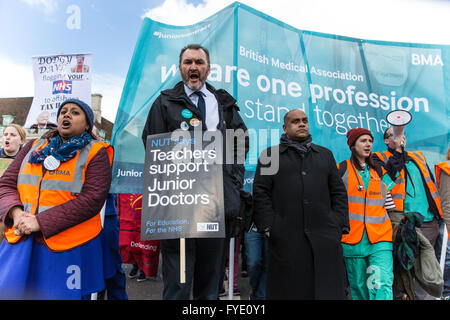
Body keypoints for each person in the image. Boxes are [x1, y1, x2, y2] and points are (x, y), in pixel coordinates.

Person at [141, 44, 248, 300]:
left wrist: (232, 181)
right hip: (179, 207)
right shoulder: (165, 101)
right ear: (180, 68)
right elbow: (152, 143)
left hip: (215, 205)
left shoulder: (224, 103)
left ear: (208, 69)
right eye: (188, 62)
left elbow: (240, 143)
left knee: (209, 286)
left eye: (199, 62)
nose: (193, 67)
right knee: (177, 284)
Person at [0, 98, 113, 299]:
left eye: (75, 112)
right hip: (23, 237)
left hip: (68, 246)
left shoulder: (97, 152)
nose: (67, 115)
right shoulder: (34, 146)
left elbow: (92, 200)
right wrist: (16, 214)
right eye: (63, 111)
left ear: (87, 124)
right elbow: (6, 184)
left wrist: (40, 222)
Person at [252, 109, 349, 299]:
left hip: (325, 238)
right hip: (287, 238)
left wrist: (338, 224)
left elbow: (338, 192)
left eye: (304, 120)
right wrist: (270, 226)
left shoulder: (325, 155)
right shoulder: (270, 156)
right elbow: (261, 193)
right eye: (296, 121)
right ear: (285, 128)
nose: (302, 124)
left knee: (327, 290)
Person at [372, 127, 443, 299]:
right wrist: (397, 152)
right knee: (400, 267)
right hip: (401, 221)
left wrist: (438, 216)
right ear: (386, 141)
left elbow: (430, 185)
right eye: (393, 136)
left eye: (400, 135)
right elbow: (386, 177)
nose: (398, 138)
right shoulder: (378, 157)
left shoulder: (418, 156)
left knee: (425, 266)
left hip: (427, 221)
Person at [337, 128, 395, 300]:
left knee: (382, 283)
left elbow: (388, 203)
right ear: (352, 145)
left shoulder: (379, 170)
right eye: (363, 140)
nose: (368, 144)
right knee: (360, 288)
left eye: (370, 140)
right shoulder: (340, 169)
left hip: (379, 239)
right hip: (352, 240)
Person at [0, 124, 27, 244]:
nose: (8, 137)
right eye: (5, 134)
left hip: (12, 209)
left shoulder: (27, 160)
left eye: (12, 135)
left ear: (21, 141)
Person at [435, 147, 450, 299]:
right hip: (447, 226)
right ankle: (445, 294)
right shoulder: (447, 168)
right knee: (447, 261)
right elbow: (446, 204)